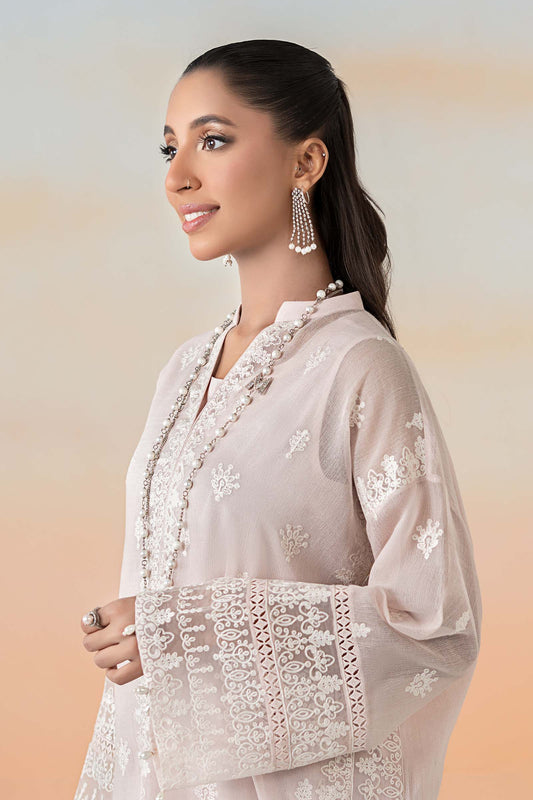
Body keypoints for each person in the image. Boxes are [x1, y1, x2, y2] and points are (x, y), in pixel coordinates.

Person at [74, 39, 482, 800]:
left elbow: (435, 627)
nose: (176, 176)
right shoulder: (183, 372)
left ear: (307, 162)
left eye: (213, 140)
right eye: (169, 147)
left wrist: (186, 636)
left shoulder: (362, 367)